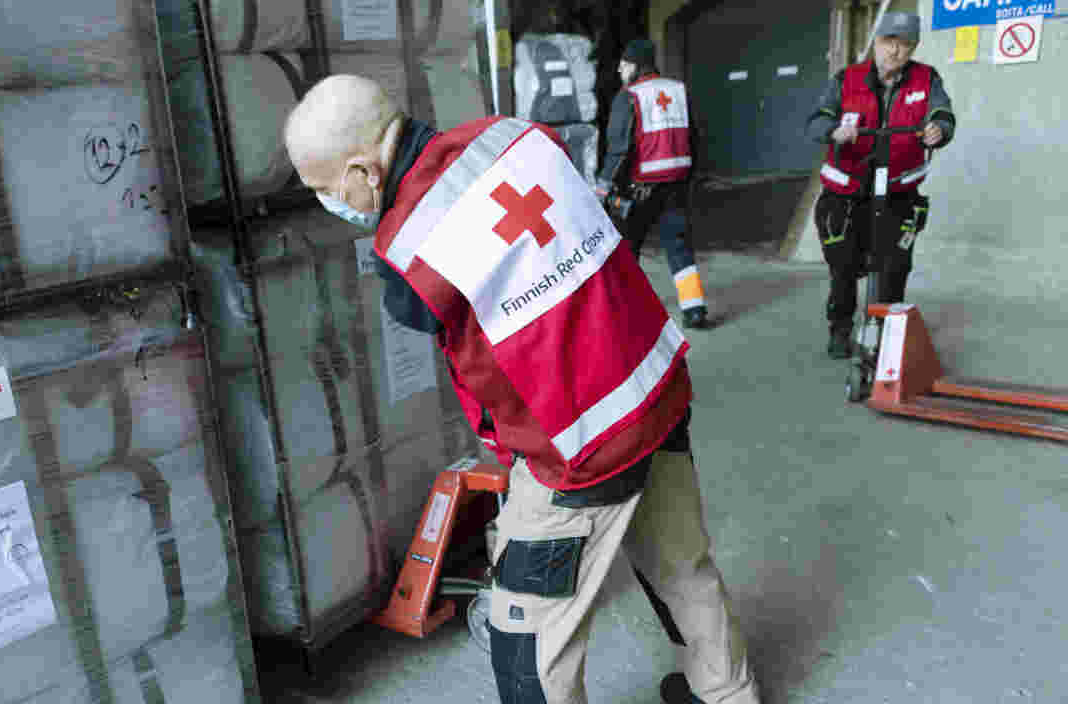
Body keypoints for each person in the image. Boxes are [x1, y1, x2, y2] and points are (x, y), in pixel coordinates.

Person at [283, 74, 759, 704]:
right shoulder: (513, 135)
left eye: (324, 188)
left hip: (582, 446)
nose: (328, 201)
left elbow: (416, 310)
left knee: (525, 640)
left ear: (366, 172)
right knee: (679, 564)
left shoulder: (407, 247)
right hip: (655, 386)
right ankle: (728, 693)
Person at [806, 11, 955, 358]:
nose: (896, 52)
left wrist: (939, 129)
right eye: (889, 42)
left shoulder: (926, 79)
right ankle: (840, 329)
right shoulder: (846, 80)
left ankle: (887, 335)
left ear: (913, 48)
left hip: (898, 195)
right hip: (846, 195)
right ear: (876, 43)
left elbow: (942, 113)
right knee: (843, 269)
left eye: (905, 45)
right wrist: (834, 132)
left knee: (894, 269)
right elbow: (815, 122)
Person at [595, 38, 712, 330]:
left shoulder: (629, 97)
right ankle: (694, 308)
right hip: (675, 186)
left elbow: (619, 150)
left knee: (626, 250)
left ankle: (625, 312)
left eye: (624, 63)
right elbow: (695, 139)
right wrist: (689, 177)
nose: (620, 69)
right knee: (680, 247)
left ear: (637, 65)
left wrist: (603, 187)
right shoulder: (679, 91)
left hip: (639, 189)